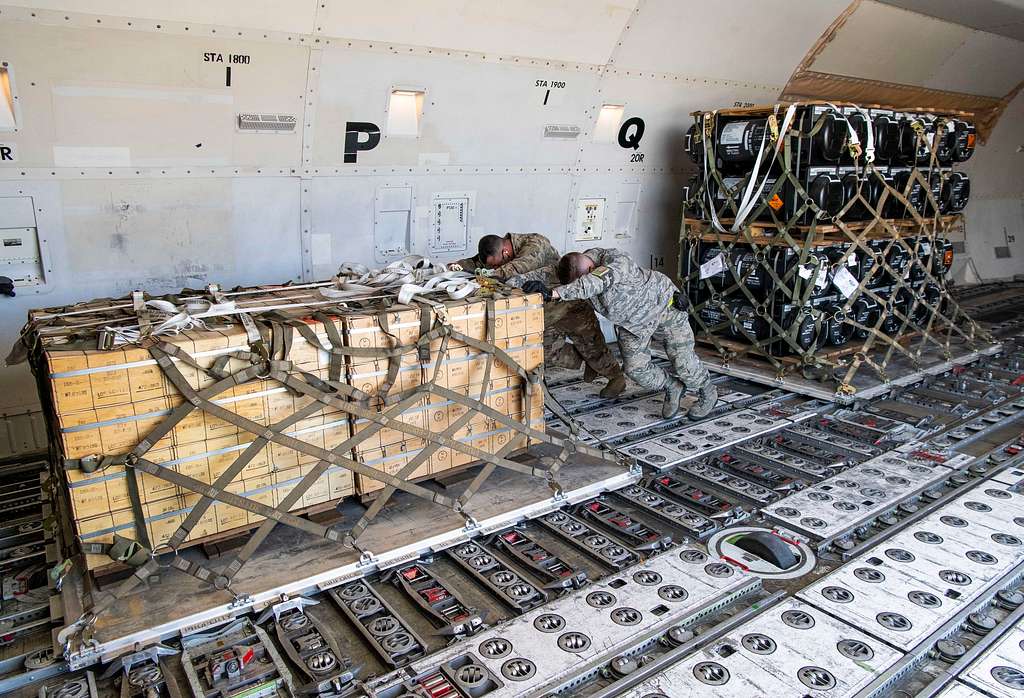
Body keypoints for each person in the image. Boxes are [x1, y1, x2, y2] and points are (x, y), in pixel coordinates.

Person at [550, 248, 716, 419]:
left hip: (665, 306)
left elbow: (595, 282)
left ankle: (708, 392)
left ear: (591, 270)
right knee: (635, 369)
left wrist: (555, 293)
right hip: (633, 325)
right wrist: (533, 286)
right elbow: (551, 273)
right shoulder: (579, 269)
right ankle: (673, 387)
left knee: (683, 363)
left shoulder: (616, 260)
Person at [453, 233, 626, 397]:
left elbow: (515, 269)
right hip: (542, 310)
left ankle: (616, 378)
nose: (494, 268)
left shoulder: (535, 244)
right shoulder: (498, 251)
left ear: (505, 253)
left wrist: (482, 278)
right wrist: (451, 268)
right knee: (545, 350)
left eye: (496, 265)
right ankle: (586, 361)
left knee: (591, 342)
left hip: (569, 302)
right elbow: (476, 264)